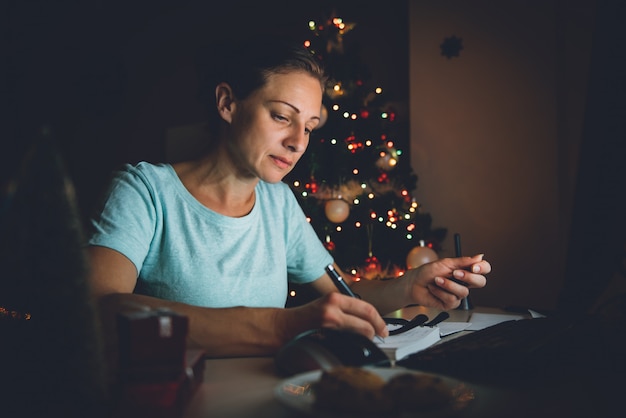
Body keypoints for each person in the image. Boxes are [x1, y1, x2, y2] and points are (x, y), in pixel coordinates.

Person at [86, 38, 490, 358]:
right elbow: (99, 312)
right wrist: (282, 326)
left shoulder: (278, 202)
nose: (298, 142)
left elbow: (343, 292)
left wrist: (408, 288)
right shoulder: (145, 191)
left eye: (310, 126)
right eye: (282, 116)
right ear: (228, 103)